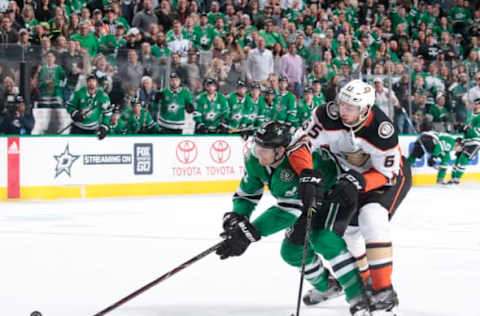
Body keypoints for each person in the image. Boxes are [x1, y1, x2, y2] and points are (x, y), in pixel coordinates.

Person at [216, 121, 371, 316]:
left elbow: (288, 211)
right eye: (257, 146)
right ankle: (328, 286)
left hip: (333, 192)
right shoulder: (255, 159)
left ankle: (359, 295)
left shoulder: (293, 166)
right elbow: (248, 193)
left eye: (264, 149)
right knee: (292, 252)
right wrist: (238, 216)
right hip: (303, 199)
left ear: (280, 150)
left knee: (324, 239)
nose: (258, 153)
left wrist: (250, 232)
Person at [289, 79, 412, 315]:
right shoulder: (326, 115)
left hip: (386, 177)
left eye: (351, 108)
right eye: (341, 104)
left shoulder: (381, 129)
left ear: (365, 109)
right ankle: (367, 284)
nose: (343, 111)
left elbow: (387, 174)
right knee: (349, 233)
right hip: (348, 177)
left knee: (372, 217)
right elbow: (300, 144)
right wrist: (306, 173)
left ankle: (384, 293)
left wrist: (359, 181)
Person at [66, 74, 112, 139]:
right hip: (77, 127)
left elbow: (107, 113)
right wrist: (75, 113)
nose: (91, 83)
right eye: (89, 81)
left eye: (93, 81)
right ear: (86, 83)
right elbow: (70, 106)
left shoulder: (103, 96)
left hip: (93, 128)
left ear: (97, 83)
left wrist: (104, 127)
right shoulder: (78, 93)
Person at [449, 98, 480, 184]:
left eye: (477, 104)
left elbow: (477, 131)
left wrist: (464, 129)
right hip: (466, 140)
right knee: (458, 158)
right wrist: (460, 128)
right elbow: (466, 127)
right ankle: (453, 177)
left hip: (475, 141)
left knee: (464, 158)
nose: (475, 105)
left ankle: (457, 178)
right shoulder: (470, 115)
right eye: (475, 103)